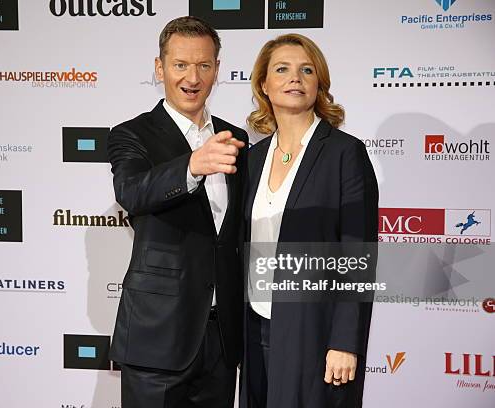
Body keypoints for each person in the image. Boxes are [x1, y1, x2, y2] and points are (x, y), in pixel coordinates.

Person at [107, 16, 248, 408]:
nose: (193, 77)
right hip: (158, 337)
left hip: (222, 341)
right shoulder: (132, 133)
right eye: (180, 65)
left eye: (204, 65)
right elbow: (131, 192)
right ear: (159, 67)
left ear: (218, 69)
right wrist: (192, 166)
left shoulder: (235, 140)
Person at [241, 34, 379, 408]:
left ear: (319, 83)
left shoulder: (344, 154)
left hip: (316, 333)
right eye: (282, 69)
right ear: (264, 85)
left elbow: (359, 257)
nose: (295, 78)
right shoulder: (252, 160)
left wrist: (345, 342)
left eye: (306, 70)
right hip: (255, 329)